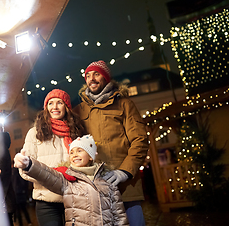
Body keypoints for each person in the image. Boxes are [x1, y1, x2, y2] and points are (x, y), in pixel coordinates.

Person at [73, 60, 149, 226]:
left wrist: (124, 172)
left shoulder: (125, 104)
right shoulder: (79, 110)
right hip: (97, 184)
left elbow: (140, 140)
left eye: (96, 74)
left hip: (126, 185)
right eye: (88, 75)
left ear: (106, 78)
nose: (91, 79)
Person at [14, 134, 129, 226]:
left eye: (80, 150)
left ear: (91, 156)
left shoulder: (107, 181)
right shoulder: (69, 180)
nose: (74, 155)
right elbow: (48, 175)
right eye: (72, 152)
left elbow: (119, 215)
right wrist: (29, 164)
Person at [19, 89, 86, 226]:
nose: (54, 107)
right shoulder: (35, 133)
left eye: (59, 103)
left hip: (74, 198)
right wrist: (52, 175)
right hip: (46, 200)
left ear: (66, 107)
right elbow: (25, 170)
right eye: (50, 103)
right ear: (46, 108)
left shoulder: (77, 131)